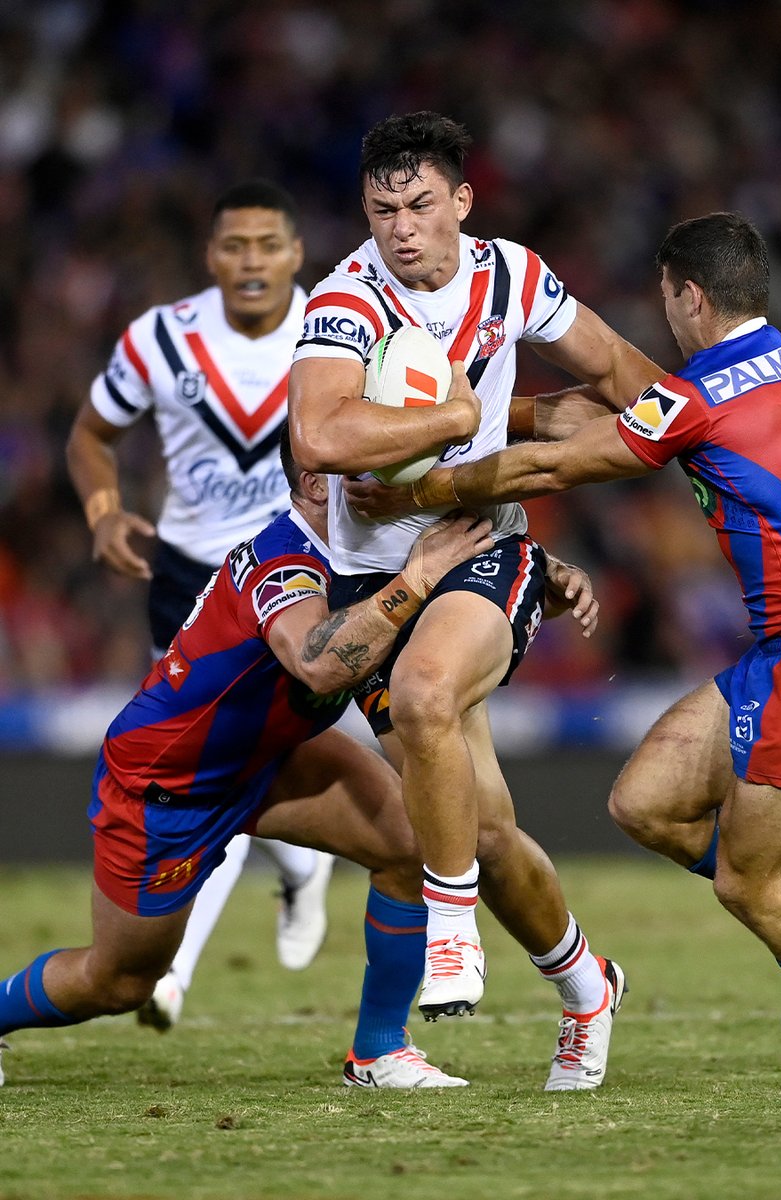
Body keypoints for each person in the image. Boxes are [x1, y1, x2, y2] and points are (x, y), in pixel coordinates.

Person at [352, 212, 781, 1099]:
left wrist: (423, 489)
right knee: (646, 803)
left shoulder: (705, 390)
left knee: (746, 881)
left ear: (689, 295)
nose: (664, 316)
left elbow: (558, 468)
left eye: (666, 298)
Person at [287, 111, 663, 1090]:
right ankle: (589, 986)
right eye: (381, 211)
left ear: (462, 200)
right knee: (483, 828)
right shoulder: (344, 300)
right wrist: (448, 414)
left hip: (480, 547)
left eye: (419, 205)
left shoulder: (513, 277)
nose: (401, 228)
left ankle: (451, 932)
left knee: (422, 702)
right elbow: (319, 437)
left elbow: (620, 372)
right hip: (371, 578)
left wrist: (721, 434)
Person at [0, 426, 496, 1090]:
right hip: (169, 784)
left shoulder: (367, 548)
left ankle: (378, 1051)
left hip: (272, 756)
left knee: (410, 844)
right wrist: (416, 579)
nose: (403, 481)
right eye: (381, 467)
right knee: (118, 982)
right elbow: (319, 664)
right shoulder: (285, 559)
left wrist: (551, 579)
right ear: (321, 484)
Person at [65, 180, 336, 1029]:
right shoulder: (159, 339)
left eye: (267, 245)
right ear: (210, 255)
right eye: (233, 245)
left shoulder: (337, 331)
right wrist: (104, 511)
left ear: (297, 254)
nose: (250, 261)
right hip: (192, 577)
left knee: (253, 757)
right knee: (202, 765)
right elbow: (90, 436)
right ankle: (252, 907)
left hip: (306, 568)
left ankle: (188, 955)